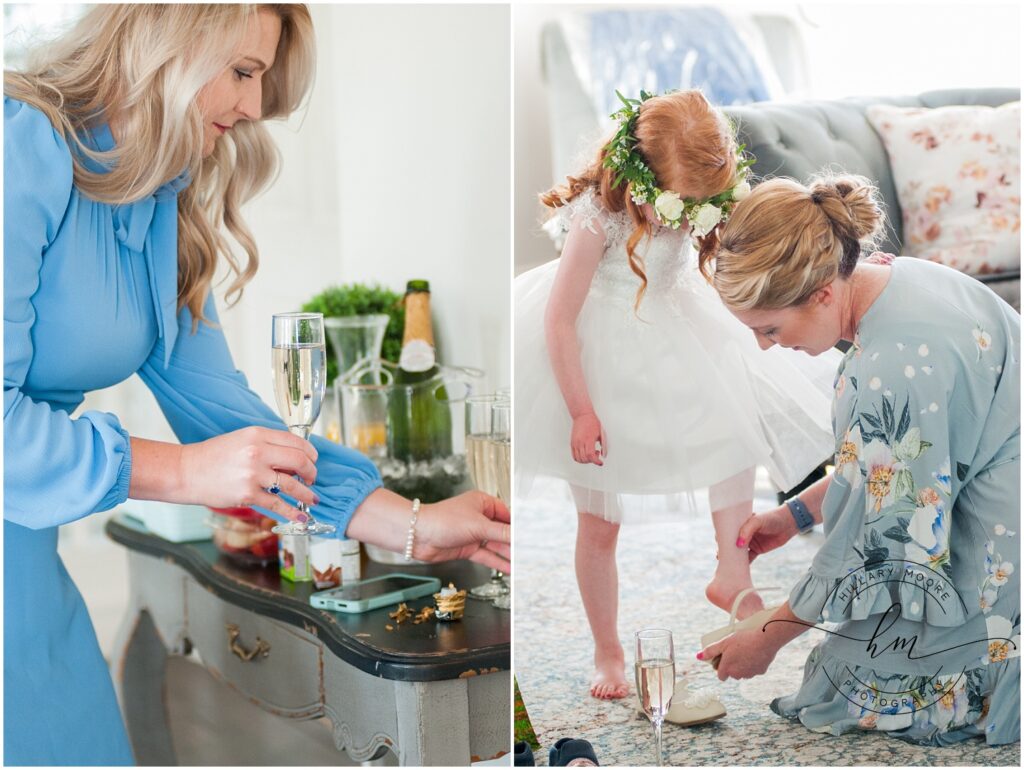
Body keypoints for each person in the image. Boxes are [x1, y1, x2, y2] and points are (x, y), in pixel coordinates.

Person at [3, 5, 509, 765]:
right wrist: (182, 472)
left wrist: (405, 522)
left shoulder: (155, 190)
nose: (251, 107)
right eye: (243, 72)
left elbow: (218, 407)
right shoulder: (19, 144)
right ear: (166, 33)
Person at [514, 89, 838, 700]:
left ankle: (730, 569)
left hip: (678, 325)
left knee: (732, 431)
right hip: (595, 353)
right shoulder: (597, 213)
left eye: (700, 201)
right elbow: (559, 320)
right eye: (683, 200)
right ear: (646, 172)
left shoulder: (706, 195)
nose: (690, 211)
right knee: (600, 521)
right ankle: (607, 649)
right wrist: (582, 411)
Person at [697, 174, 1019, 746]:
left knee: (861, 683)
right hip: (984, 482)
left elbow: (872, 550)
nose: (766, 346)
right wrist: (795, 514)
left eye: (770, 328)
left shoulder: (891, 368)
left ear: (822, 292)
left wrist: (767, 635)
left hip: (1002, 529)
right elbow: (890, 462)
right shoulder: (896, 277)